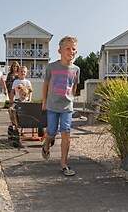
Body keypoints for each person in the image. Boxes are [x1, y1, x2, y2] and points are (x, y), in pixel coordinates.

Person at [41, 36, 80, 176]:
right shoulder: (51, 67)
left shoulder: (76, 69)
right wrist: (44, 101)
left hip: (67, 107)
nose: (71, 51)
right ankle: (46, 144)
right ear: (60, 51)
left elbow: (74, 86)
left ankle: (64, 164)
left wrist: (70, 98)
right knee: (52, 132)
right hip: (52, 106)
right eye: (68, 48)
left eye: (74, 49)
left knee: (66, 132)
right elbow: (45, 84)